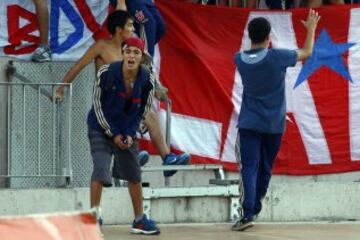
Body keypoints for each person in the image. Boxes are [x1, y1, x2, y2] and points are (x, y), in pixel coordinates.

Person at [232, 10, 320, 231]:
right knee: (266, 167)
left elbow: (250, 56)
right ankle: (256, 203)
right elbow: (307, 52)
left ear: (249, 36)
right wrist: (311, 29)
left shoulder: (239, 59)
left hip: (250, 123)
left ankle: (248, 213)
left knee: (249, 168)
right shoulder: (277, 57)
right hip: (274, 124)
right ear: (269, 37)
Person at [109, 0, 191, 177]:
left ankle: (168, 158)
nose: (132, 29)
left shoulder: (128, 55)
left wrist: (154, 86)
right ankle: (127, 157)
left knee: (158, 26)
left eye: (133, 26)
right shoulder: (110, 50)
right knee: (150, 24)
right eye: (129, 26)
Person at [87, 37, 160, 235]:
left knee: (134, 175)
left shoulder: (147, 80)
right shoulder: (106, 72)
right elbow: (97, 106)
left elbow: (141, 111)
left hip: (126, 129)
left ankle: (139, 220)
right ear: (123, 53)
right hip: (101, 127)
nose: (131, 56)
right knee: (101, 169)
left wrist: (128, 133)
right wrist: (113, 134)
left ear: (142, 58)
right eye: (128, 51)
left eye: (136, 53)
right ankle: (93, 218)